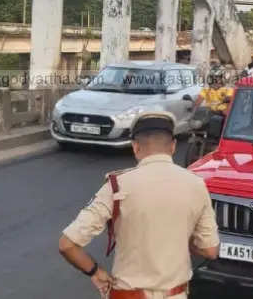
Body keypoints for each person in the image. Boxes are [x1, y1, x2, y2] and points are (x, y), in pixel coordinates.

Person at [58, 112, 220, 299]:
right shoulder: (196, 185)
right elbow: (210, 250)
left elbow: (67, 244)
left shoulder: (117, 185)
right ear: (173, 146)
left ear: (135, 147)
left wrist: (95, 272)